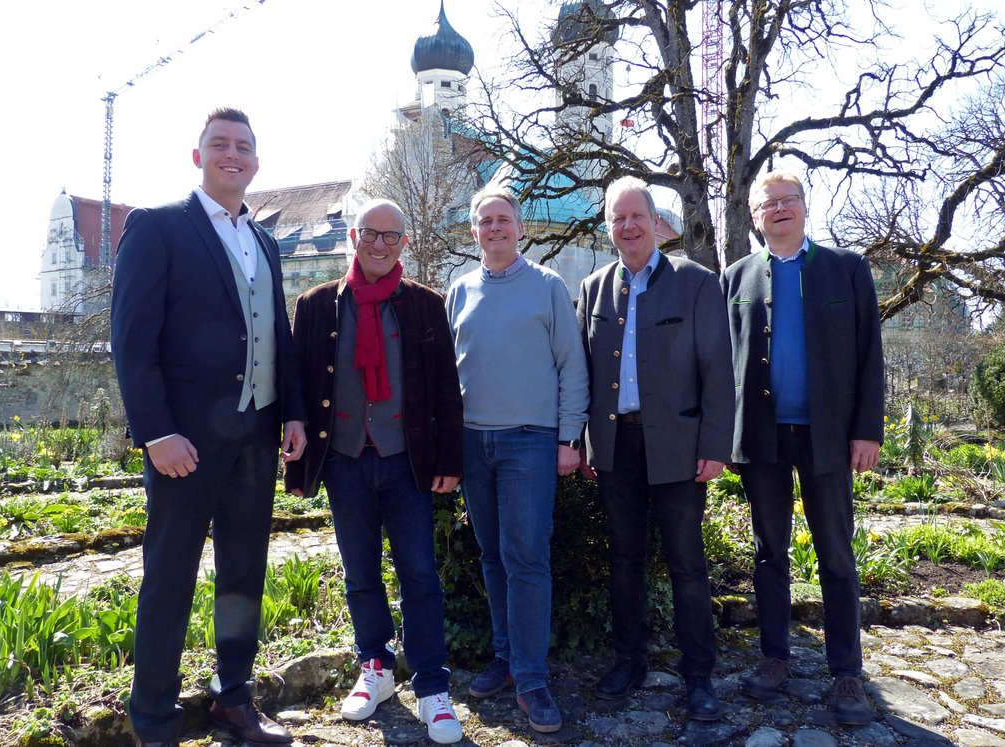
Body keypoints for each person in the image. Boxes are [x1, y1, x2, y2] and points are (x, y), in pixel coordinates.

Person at [110, 107, 306, 747]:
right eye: (219, 144)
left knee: (244, 577)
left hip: (254, 442)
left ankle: (233, 699)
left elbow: (278, 335)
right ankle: (155, 721)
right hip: (184, 446)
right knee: (170, 577)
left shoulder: (266, 242)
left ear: (255, 162)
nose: (232, 154)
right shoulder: (158, 228)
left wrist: (293, 414)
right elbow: (132, 339)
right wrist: (155, 431)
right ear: (199, 156)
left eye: (243, 147)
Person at [284, 199, 464, 744]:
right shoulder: (315, 306)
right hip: (344, 460)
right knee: (360, 573)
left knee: (420, 576)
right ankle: (376, 670)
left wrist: (449, 460)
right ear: (353, 237)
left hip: (407, 462)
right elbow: (296, 382)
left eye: (391, 236)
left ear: (403, 243)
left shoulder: (425, 306)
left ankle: (433, 687)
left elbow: (446, 391)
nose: (380, 244)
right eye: (370, 234)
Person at [722, 169, 884, 725]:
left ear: (804, 209)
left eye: (789, 200)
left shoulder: (847, 268)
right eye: (769, 204)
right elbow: (723, 365)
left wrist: (868, 430)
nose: (780, 210)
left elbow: (870, 354)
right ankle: (774, 658)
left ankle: (846, 672)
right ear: (754, 216)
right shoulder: (737, 277)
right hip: (762, 437)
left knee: (836, 553)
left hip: (829, 437)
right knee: (769, 552)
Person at [576, 176, 734, 722]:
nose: (627, 226)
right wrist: (585, 441)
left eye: (635, 215)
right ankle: (630, 658)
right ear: (608, 227)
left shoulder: (696, 282)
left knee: (687, 565)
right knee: (624, 561)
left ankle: (698, 675)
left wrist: (716, 445)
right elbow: (583, 376)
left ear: (654, 220)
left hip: (680, 448)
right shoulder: (594, 287)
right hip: (616, 447)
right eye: (617, 219)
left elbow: (719, 372)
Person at [445, 186, 589, 734]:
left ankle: (532, 677)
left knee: (526, 557)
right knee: (491, 554)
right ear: (474, 231)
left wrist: (569, 438)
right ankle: (505, 657)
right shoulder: (458, 290)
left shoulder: (549, 287)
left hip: (531, 440)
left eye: (504, 220)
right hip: (472, 441)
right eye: (485, 221)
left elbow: (572, 365)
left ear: (520, 228)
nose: (495, 229)